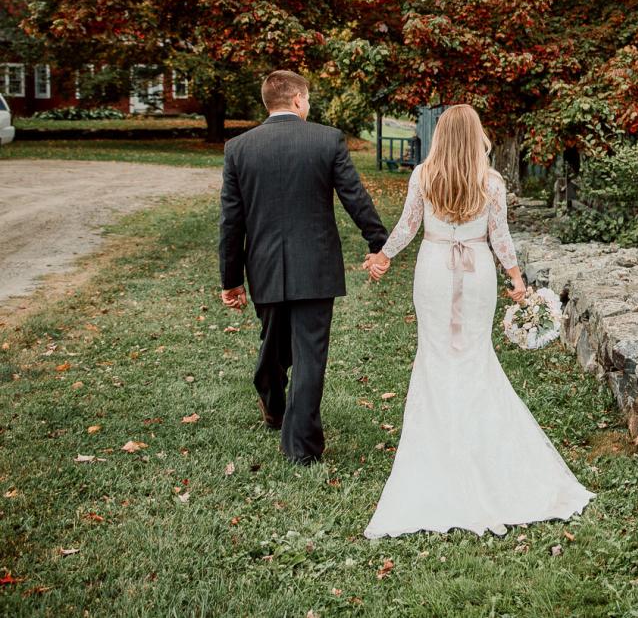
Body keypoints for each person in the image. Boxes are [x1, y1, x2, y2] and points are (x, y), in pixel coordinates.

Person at [361, 104, 594, 538]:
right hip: (478, 273)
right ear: (476, 136)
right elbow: (499, 237)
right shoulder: (490, 182)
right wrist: (517, 281)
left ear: (440, 136)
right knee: (472, 356)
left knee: (435, 357)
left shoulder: (423, 176)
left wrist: (383, 257)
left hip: (433, 270)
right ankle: (479, 450)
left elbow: (408, 227)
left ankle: (441, 453)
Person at [218, 70, 389, 465]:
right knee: (307, 354)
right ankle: (294, 437)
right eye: (307, 100)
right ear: (297, 100)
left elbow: (231, 221)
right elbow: (354, 197)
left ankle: (291, 426)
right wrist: (378, 242)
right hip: (316, 266)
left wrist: (231, 279)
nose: (308, 106)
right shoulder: (325, 139)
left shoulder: (239, 148)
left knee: (275, 341)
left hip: (263, 267)